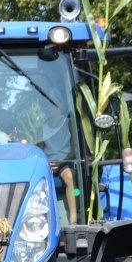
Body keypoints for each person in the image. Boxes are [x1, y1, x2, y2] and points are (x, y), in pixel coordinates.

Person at [38, 90, 77, 225]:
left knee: (69, 176)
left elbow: (75, 149)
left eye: (52, 103)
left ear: (61, 105)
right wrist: (47, 164)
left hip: (66, 161)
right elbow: (40, 152)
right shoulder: (41, 130)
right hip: (48, 164)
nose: (48, 107)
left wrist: (61, 163)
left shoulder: (68, 123)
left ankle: (73, 219)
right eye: (45, 104)